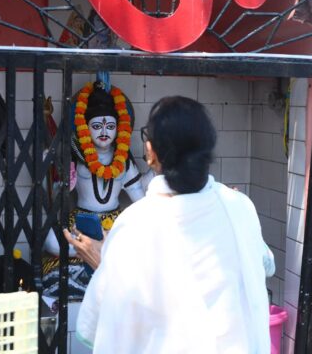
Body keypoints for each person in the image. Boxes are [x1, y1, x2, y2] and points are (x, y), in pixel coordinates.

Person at [64, 96, 275, 353]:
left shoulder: (134, 224)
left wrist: (104, 262)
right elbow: (266, 265)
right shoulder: (239, 205)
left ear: (150, 153)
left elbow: (102, 324)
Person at [42, 82, 144, 301]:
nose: (104, 132)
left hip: (114, 226)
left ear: (119, 129)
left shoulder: (124, 161)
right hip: (81, 223)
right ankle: (99, 256)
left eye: (110, 126)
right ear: (85, 128)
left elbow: (141, 202)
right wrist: (59, 180)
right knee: (50, 241)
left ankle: (97, 256)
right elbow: (57, 199)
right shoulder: (77, 157)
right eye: (97, 126)